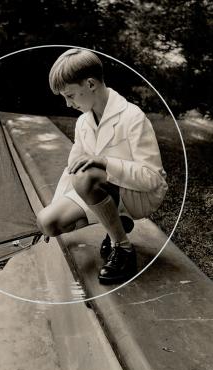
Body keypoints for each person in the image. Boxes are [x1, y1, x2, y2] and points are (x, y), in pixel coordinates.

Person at [36, 48, 168, 284]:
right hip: (101, 189)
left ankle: (123, 248)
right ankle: (115, 223)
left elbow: (153, 179)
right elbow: (72, 169)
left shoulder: (132, 116)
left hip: (137, 194)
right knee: (49, 223)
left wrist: (105, 162)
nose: (67, 104)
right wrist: (57, 205)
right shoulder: (83, 122)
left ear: (90, 84)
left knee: (87, 176)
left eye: (71, 95)